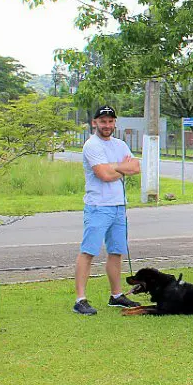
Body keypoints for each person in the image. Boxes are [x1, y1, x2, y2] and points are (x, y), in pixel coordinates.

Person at [74, 105, 141, 315]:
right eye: (103, 121)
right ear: (95, 122)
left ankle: (116, 295)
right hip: (98, 207)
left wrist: (114, 168)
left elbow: (136, 167)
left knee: (116, 251)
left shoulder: (120, 145)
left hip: (118, 206)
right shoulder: (91, 146)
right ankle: (80, 299)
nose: (107, 125)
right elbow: (103, 175)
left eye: (110, 121)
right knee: (89, 251)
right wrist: (121, 168)